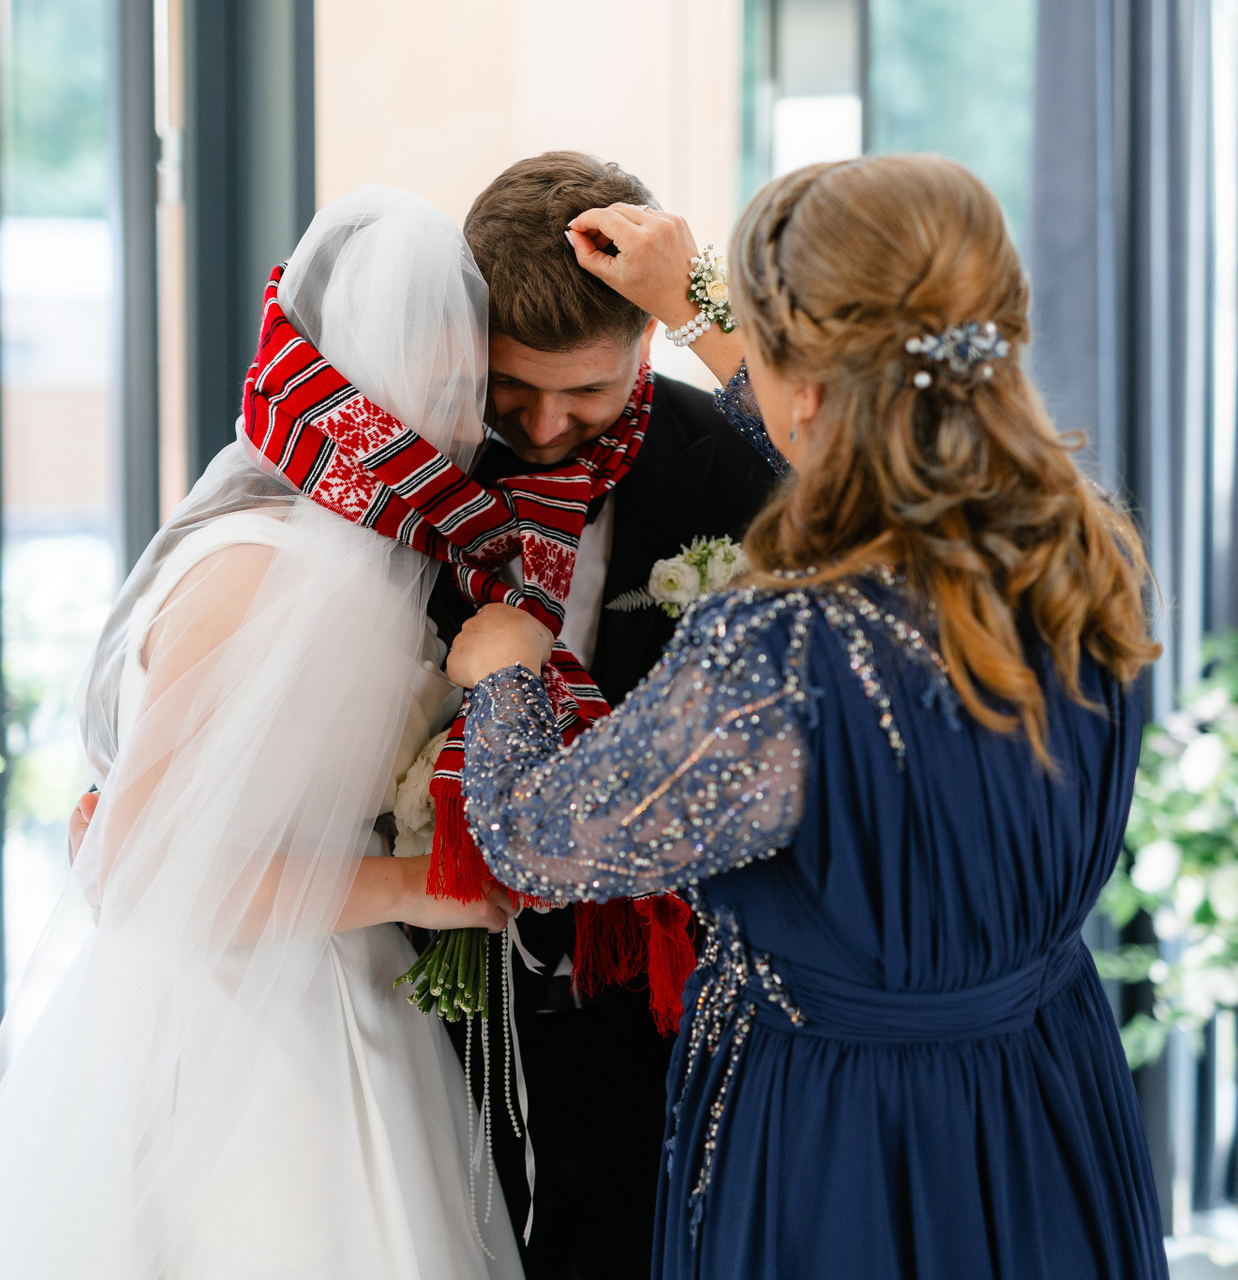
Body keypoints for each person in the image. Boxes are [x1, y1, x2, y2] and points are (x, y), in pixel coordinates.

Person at [448, 154, 1171, 1279]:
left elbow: (537, 843)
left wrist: (501, 676)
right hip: (1044, 1090)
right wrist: (699, 304)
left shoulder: (783, 647)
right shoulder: (1079, 546)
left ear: (810, 391)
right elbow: (840, 439)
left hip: (843, 1131)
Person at [0, 187, 523, 1280]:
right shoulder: (254, 570)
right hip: (237, 1035)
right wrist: (411, 885)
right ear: (347, 396)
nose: (463, 432)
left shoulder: (369, 563)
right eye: (436, 395)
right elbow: (139, 868)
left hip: (339, 995)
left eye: (467, 393)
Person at [428, 151, 779, 1280]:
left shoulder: (733, 457)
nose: (541, 424)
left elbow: (874, 486)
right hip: (444, 986)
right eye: (511, 386)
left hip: (671, 995)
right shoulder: (409, 465)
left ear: (644, 344)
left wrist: (703, 299)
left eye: (584, 391)